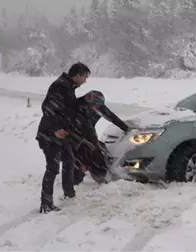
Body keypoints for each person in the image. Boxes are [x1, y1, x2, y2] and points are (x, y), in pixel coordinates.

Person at [36, 62, 91, 214]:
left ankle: (69, 193)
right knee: (52, 168)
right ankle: (46, 204)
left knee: (69, 160)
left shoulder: (68, 87)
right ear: (77, 75)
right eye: (84, 77)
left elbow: (69, 107)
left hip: (63, 135)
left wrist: (84, 99)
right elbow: (47, 107)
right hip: (50, 134)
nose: (85, 80)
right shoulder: (60, 86)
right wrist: (55, 129)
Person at [71, 90, 130, 185]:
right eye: (96, 106)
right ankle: (74, 183)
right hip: (74, 136)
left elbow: (112, 117)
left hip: (89, 134)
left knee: (98, 154)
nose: (98, 108)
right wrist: (83, 141)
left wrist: (126, 128)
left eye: (99, 106)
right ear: (89, 102)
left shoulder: (100, 107)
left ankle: (102, 177)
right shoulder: (76, 107)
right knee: (79, 158)